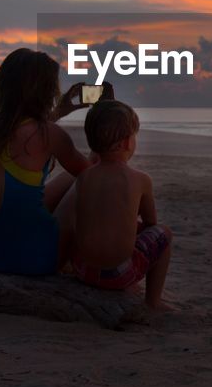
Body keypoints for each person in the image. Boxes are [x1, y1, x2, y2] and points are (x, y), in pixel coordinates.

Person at [0, 48, 102, 275]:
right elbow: (94, 177)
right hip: (38, 261)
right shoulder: (49, 135)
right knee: (88, 179)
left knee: (68, 177)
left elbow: (22, 127)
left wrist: (58, 112)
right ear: (46, 92)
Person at [70, 100, 173, 310]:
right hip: (118, 275)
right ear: (127, 143)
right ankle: (153, 302)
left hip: (82, 269)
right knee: (164, 234)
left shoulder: (84, 177)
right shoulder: (141, 179)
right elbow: (151, 222)